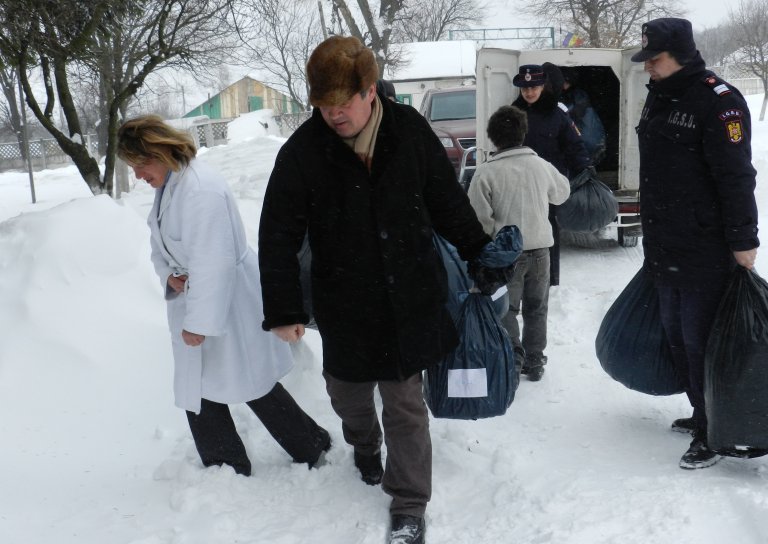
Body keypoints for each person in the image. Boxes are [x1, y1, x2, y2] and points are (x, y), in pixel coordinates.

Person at [258, 36, 502, 544]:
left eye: (342, 104)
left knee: (405, 404)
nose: (333, 115)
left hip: (410, 295)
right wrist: (283, 307)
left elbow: (445, 200)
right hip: (344, 301)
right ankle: (364, 445)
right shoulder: (304, 151)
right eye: (323, 106)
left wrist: (479, 251)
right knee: (348, 396)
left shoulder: (409, 130)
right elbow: (278, 233)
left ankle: (409, 502)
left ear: (370, 91)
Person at [117, 115, 331, 477]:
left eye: (140, 165)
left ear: (160, 152)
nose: (138, 175)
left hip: (226, 302)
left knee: (249, 381)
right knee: (213, 383)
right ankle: (233, 457)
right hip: (201, 297)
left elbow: (213, 263)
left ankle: (295, 447)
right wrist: (170, 276)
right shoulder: (171, 186)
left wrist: (198, 324)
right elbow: (159, 245)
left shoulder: (201, 190)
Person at [631, 18, 759, 470]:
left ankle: (714, 430)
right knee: (676, 339)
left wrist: (744, 239)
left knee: (701, 342)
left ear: (681, 54)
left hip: (706, 246)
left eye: (655, 59)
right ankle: (700, 410)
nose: (647, 68)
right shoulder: (659, 95)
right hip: (665, 243)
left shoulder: (718, 101)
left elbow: (736, 176)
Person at [467, 106, 570, 381]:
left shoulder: (485, 173)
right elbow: (561, 193)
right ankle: (535, 359)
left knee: (507, 309)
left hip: (506, 257)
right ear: (523, 133)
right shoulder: (541, 165)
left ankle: (513, 357)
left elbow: (479, 219)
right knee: (537, 307)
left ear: (493, 138)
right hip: (540, 251)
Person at [511, 63, 592, 286]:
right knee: (520, 229)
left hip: (548, 185)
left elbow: (573, 145)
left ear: (543, 86)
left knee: (547, 230)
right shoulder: (512, 113)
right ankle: (521, 277)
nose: (529, 92)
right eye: (525, 88)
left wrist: (585, 168)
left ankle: (549, 277)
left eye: (534, 87)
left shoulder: (557, 114)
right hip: (519, 183)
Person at [560, 67, 606, 163]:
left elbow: (577, 112)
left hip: (582, 134)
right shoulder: (564, 95)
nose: (564, 85)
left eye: (566, 82)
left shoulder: (578, 95)